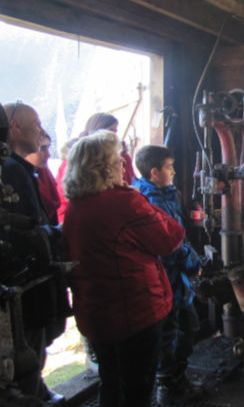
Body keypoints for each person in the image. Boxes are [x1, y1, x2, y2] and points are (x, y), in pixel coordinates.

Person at [62, 130, 183, 407]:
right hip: (135, 313)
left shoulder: (75, 208)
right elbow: (170, 238)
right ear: (104, 167)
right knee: (138, 389)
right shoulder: (124, 202)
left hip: (96, 315)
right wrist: (139, 200)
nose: (123, 166)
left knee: (112, 383)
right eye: (118, 161)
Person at [1, 101, 69, 405]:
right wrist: (60, 236)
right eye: (35, 123)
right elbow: (23, 232)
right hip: (24, 285)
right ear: (13, 126)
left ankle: (36, 390)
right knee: (25, 353)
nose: (41, 131)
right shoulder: (12, 171)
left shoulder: (21, 170)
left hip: (31, 282)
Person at [133, 145, 205, 405]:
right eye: (169, 167)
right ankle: (168, 386)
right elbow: (170, 245)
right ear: (154, 172)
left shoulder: (164, 195)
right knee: (174, 332)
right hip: (167, 280)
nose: (174, 171)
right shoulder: (152, 202)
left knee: (185, 327)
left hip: (176, 280)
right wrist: (193, 262)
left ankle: (177, 378)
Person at [56, 112, 135, 222]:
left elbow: (131, 179)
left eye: (115, 131)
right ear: (94, 132)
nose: (114, 135)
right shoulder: (77, 158)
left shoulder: (123, 156)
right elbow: (66, 195)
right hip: (87, 214)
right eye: (109, 130)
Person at [24, 131, 61, 224]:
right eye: (42, 148)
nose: (48, 155)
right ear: (25, 149)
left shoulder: (44, 173)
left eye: (48, 148)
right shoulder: (20, 177)